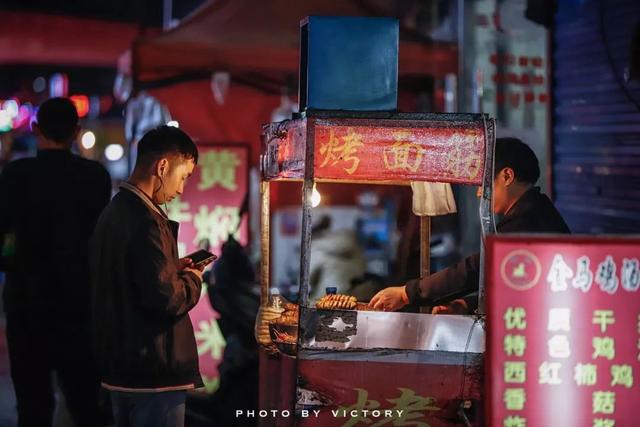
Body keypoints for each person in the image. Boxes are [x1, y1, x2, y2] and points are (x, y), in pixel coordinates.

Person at [0, 97, 112, 426]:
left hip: (26, 303)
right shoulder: (94, 177)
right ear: (77, 132)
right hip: (78, 306)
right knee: (85, 404)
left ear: (35, 129)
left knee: (32, 405)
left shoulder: (15, 176)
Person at [370, 137, 570, 313]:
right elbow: (512, 287)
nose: (479, 193)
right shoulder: (532, 212)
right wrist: (467, 304)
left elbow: (477, 268)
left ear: (507, 176)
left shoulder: (528, 221)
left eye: (483, 183)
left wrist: (407, 293)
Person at [89, 126, 204, 427]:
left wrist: (171, 266)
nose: (180, 189)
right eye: (183, 177)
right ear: (163, 166)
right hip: (153, 373)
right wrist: (192, 278)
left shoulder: (113, 211)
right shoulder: (146, 220)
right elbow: (167, 298)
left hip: (121, 368)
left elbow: (131, 277)